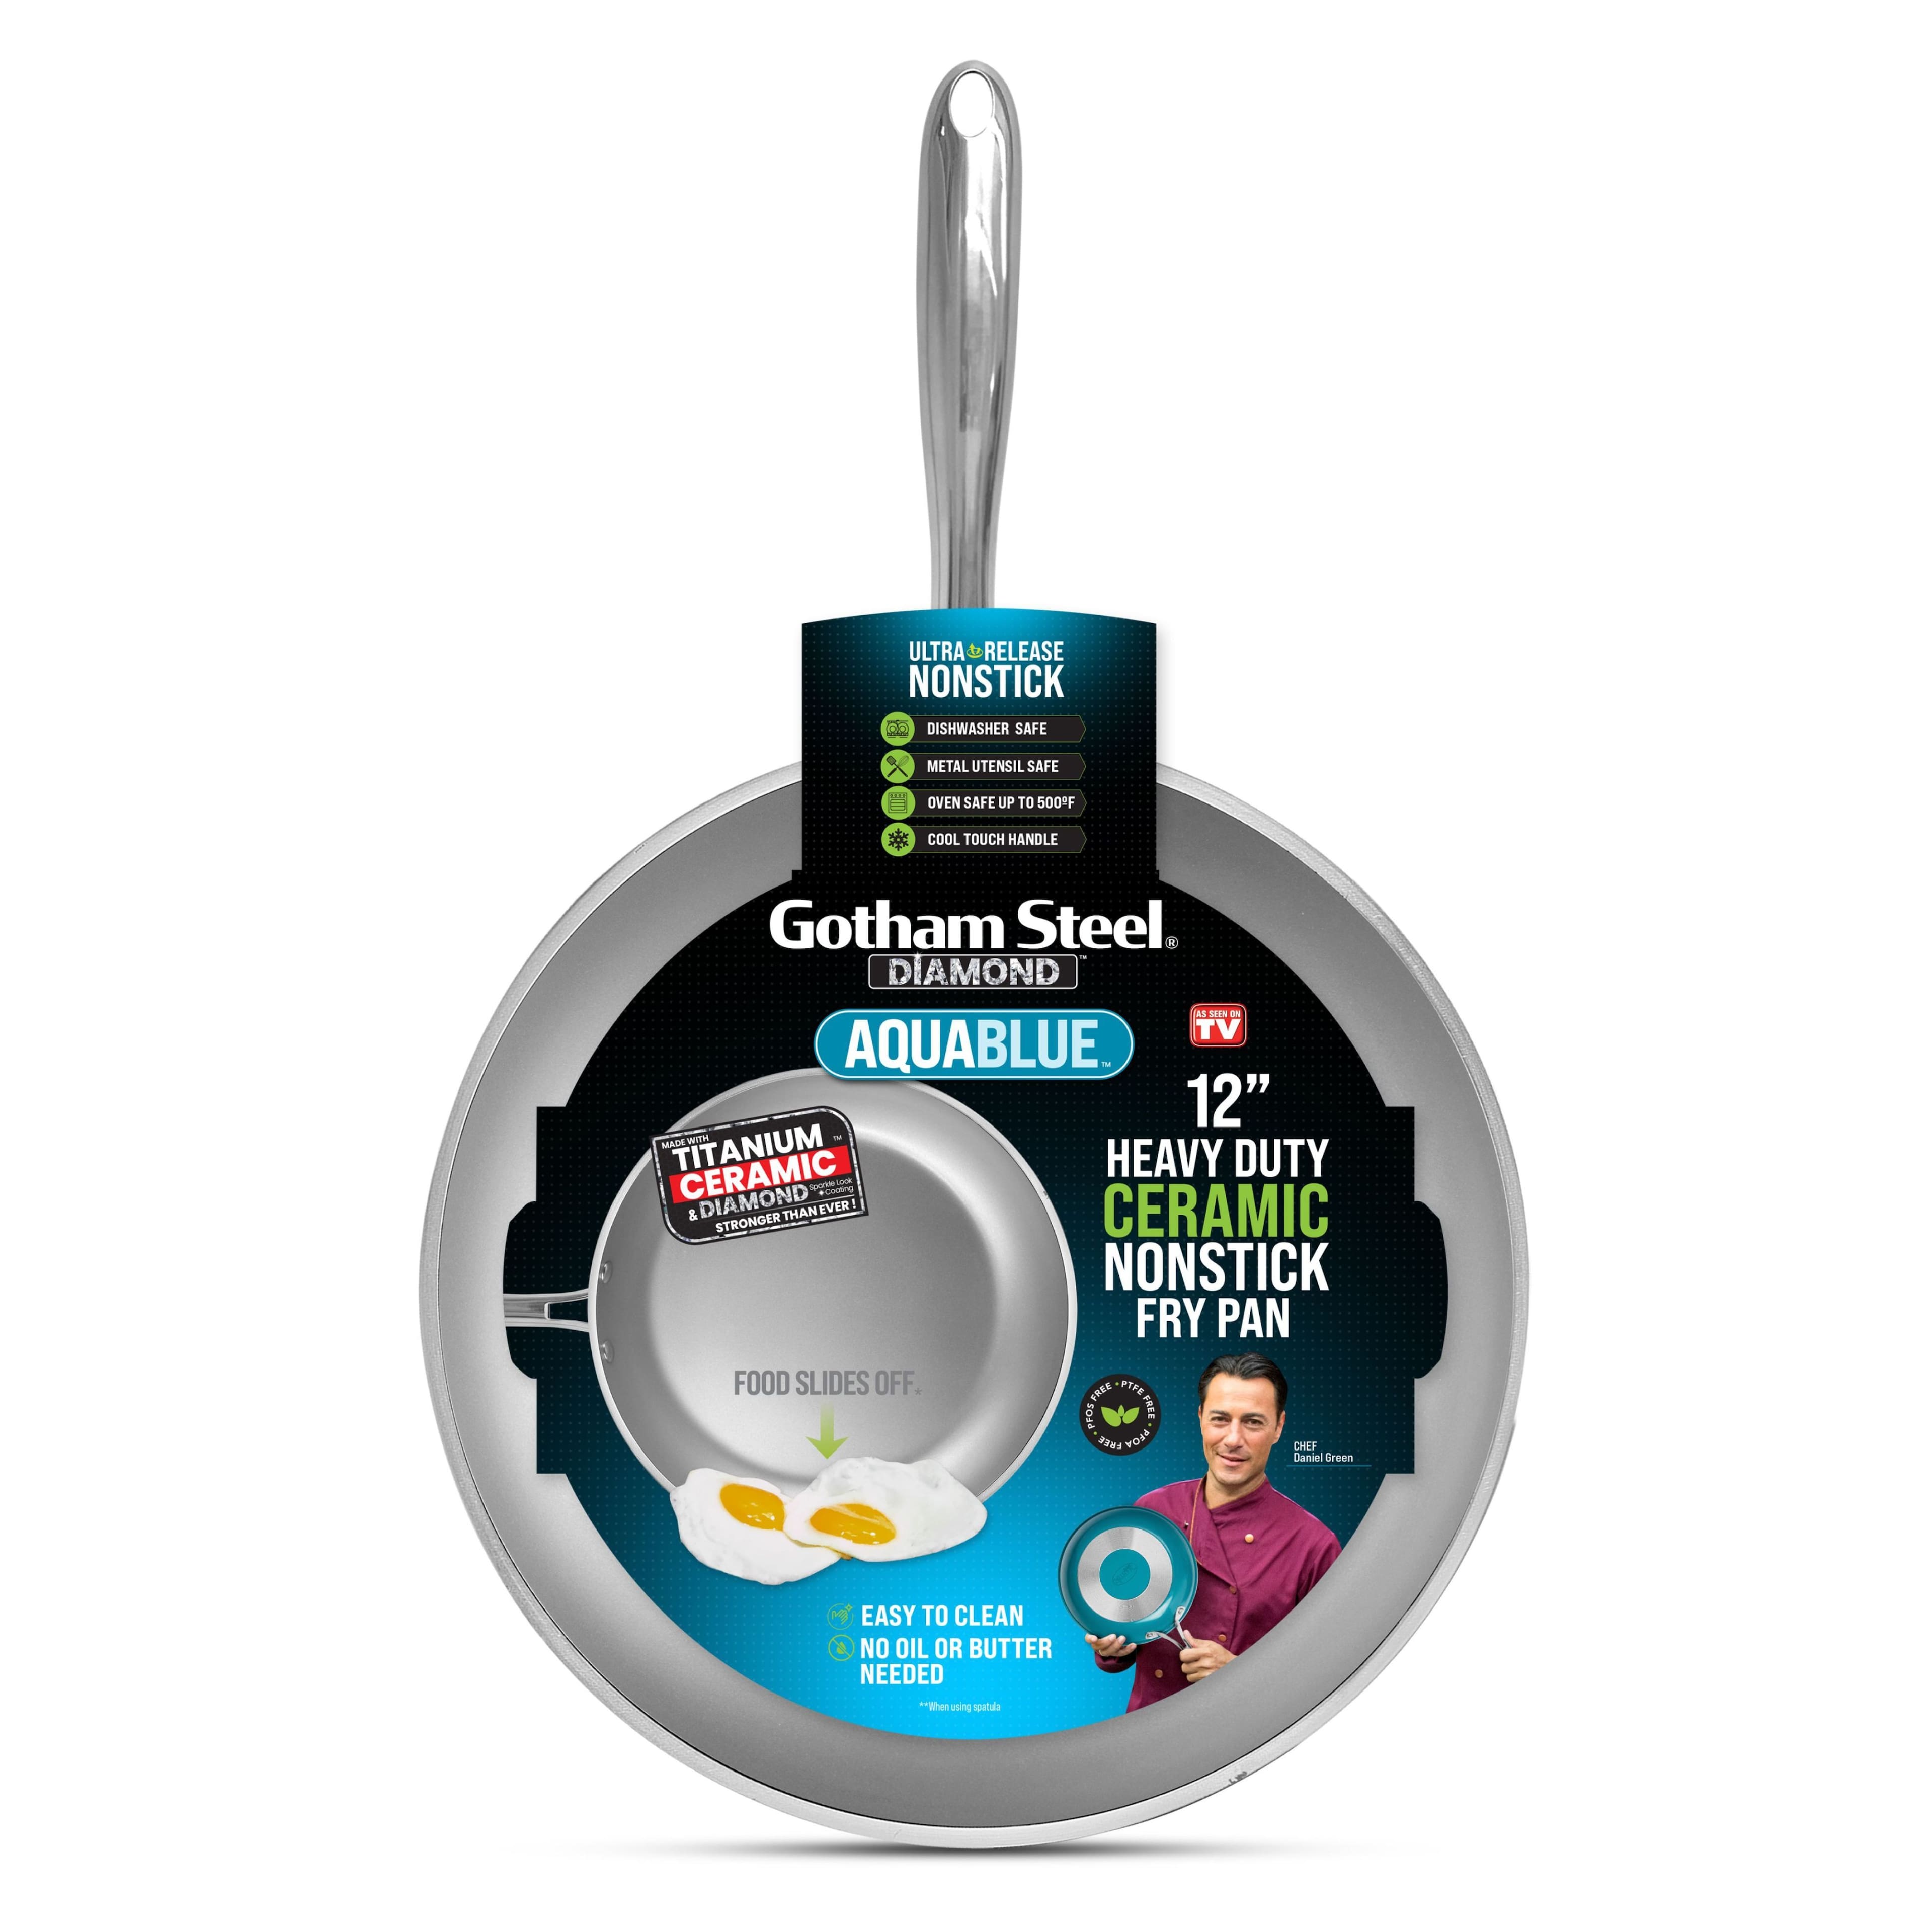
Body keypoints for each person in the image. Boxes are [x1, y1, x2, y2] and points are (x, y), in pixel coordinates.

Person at [1088, 1353, 1340, 1711]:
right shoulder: (1153, 1510)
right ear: (1201, 1419)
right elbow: (1123, 1619)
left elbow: (1333, 1674)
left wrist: (1240, 1674)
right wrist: (1113, 1643)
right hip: (1148, 1727)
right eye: (1220, 1419)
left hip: (1247, 1734)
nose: (1233, 1439)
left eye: (1253, 1422)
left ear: (1279, 1427)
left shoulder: (1314, 1545)